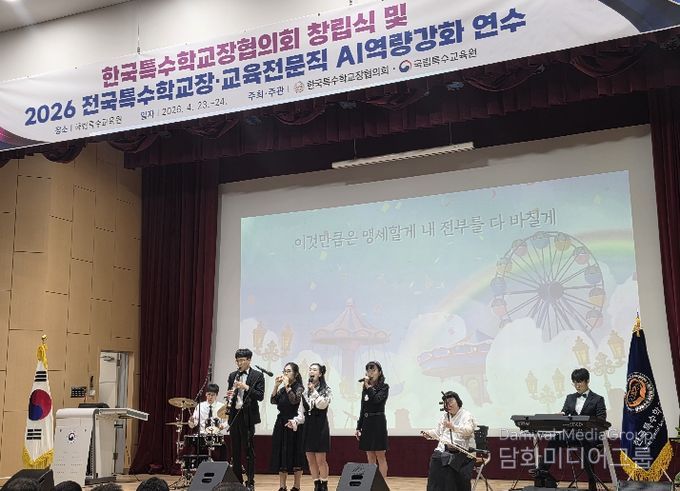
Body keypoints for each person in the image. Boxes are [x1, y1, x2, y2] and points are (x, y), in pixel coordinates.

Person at [531, 368, 607, 491]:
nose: (577, 385)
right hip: (572, 434)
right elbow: (565, 412)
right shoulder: (570, 398)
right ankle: (542, 471)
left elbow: (601, 420)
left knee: (586, 444)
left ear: (587, 381)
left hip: (590, 435)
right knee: (555, 440)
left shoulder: (598, 399)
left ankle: (592, 482)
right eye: (574, 382)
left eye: (580, 382)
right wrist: (560, 414)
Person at [287, 363, 332, 491]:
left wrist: (314, 392)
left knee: (320, 459)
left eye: (314, 370)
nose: (311, 372)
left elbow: (322, 405)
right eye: (310, 369)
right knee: (310, 459)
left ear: (320, 374)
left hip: (320, 426)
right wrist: (294, 421)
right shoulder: (305, 392)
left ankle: (324, 484)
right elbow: (301, 413)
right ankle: (316, 484)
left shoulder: (326, 390)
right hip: (308, 427)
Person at [226, 348, 265, 490]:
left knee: (248, 450)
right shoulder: (233, 375)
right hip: (234, 416)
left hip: (248, 417)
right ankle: (237, 481)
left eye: (242, 360)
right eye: (237, 361)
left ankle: (250, 481)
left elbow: (260, 396)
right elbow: (231, 395)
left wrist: (246, 387)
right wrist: (229, 395)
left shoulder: (258, 375)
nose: (239, 363)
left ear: (249, 360)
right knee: (235, 452)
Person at [421, 391, 476, 491]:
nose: (448, 404)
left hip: (462, 451)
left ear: (457, 401)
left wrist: (453, 427)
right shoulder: (445, 416)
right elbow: (438, 432)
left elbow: (468, 431)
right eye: (446, 403)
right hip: (444, 450)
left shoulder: (466, 415)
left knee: (448, 463)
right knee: (436, 459)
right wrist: (428, 433)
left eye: (451, 401)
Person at [270, 362, 306, 491]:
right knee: (282, 453)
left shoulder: (299, 387)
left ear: (295, 374)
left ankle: (296, 486)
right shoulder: (282, 389)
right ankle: (282, 486)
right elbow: (273, 401)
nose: (286, 373)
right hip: (281, 422)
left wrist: (287, 385)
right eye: (284, 371)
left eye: (289, 371)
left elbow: (294, 400)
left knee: (296, 454)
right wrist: (276, 385)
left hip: (294, 423)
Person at [355, 360, 389, 477]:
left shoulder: (384, 387)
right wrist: (359, 427)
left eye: (373, 370)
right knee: (370, 455)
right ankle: (371, 482)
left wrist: (368, 387)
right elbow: (363, 408)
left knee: (380, 455)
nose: (370, 373)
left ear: (379, 372)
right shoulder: (365, 388)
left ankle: (382, 484)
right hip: (367, 423)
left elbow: (376, 400)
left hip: (378, 423)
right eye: (368, 371)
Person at [188, 382, 227, 461]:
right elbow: (194, 424)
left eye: (213, 395)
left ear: (216, 395)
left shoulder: (221, 406)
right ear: (205, 394)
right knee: (195, 448)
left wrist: (222, 426)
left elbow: (227, 421)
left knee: (224, 448)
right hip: (203, 435)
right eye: (208, 394)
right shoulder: (200, 406)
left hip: (216, 435)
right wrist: (191, 421)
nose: (210, 397)